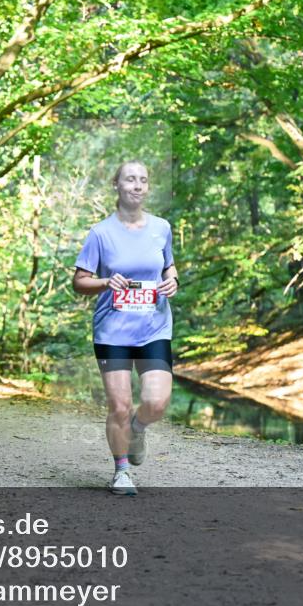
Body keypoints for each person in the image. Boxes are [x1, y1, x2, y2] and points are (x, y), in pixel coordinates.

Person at [72, 160, 179, 496]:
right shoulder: (100, 233)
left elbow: (169, 266)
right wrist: (106, 282)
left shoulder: (161, 227)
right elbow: (79, 281)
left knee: (157, 401)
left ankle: (139, 425)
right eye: (130, 179)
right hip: (113, 331)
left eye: (143, 180)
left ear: (147, 188)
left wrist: (172, 281)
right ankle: (121, 472)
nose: (137, 185)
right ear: (116, 184)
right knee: (119, 405)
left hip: (153, 326)